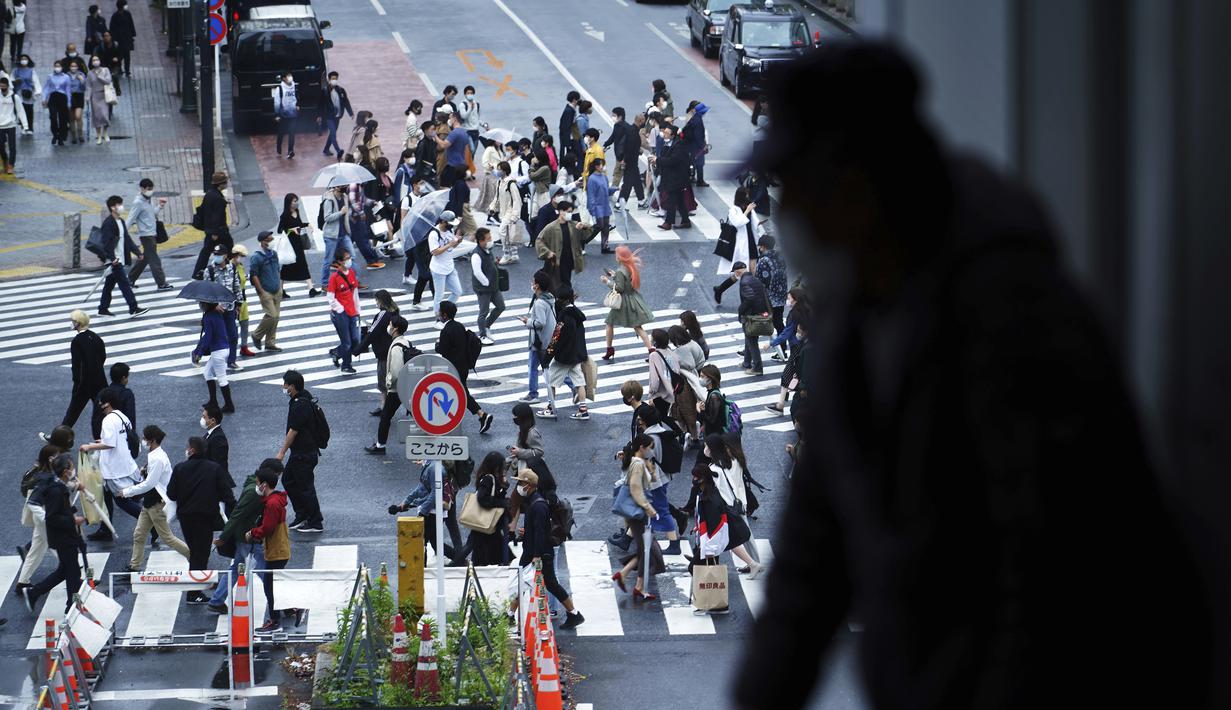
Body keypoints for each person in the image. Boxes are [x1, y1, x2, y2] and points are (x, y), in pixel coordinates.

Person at [735, 44, 1215, 710]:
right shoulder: (862, 303)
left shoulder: (1010, 312)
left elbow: (1043, 572)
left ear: (861, 182)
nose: (789, 213)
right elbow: (815, 538)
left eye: (801, 189)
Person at [206, 458, 283, 614]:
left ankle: (217, 600)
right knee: (264, 571)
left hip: (244, 536)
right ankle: (281, 602)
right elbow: (237, 514)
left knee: (236, 568)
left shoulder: (254, 486)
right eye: (276, 475)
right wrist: (224, 537)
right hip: (249, 538)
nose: (276, 480)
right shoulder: (254, 493)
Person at [513, 468, 584, 629]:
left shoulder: (538, 505)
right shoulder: (534, 501)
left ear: (529, 485)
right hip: (535, 550)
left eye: (521, 483)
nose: (519, 486)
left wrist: (537, 555)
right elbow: (538, 529)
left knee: (536, 582)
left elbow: (541, 532)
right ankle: (574, 614)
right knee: (538, 582)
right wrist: (527, 532)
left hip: (538, 552)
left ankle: (574, 614)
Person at [167, 436, 234, 602]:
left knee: (195, 551)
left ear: (192, 450)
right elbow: (227, 495)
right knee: (201, 554)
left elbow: (171, 494)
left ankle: (194, 590)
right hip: (206, 517)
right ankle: (194, 591)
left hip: (186, 518)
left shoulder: (180, 468)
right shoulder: (214, 468)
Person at [20, 453, 85, 614]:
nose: (73, 470)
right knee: (73, 573)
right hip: (63, 537)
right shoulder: (56, 491)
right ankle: (71, 607)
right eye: (71, 467)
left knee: (65, 571)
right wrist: (73, 520)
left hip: (64, 536)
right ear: (65, 471)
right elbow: (52, 517)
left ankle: (33, 593)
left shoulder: (58, 486)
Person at [119, 425, 190, 571]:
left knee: (167, 537)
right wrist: (145, 471)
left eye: (145, 438)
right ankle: (134, 565)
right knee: (139, 534)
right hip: (150, 502)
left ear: (152, 441)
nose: (143, 440)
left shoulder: (158, 459)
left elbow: (149, 484)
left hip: (157, 504)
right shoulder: (155, 455)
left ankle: (194, 556)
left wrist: (127, 492)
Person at [687, 460, 751, 615]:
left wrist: (710, 548)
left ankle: (709, 603)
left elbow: (716, 524)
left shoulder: (709, 499)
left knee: (694, 567)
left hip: (710, 542)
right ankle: (717, 605)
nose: (693, 480)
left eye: (695, 477)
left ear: (702, 479)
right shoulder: (708, 493)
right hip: (709, 540)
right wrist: (698, 527)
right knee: (708, 570)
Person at [79, 388, 144, 534]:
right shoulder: (122, 416)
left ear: (107, 403)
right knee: (106, 495)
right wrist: (101, 441)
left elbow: (110, 443)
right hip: (124, 464)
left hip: (113, 468)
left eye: (101, 402)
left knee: (122, 501)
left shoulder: (108, 420)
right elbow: (119, 438)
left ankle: (149, 522)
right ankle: (106, 528)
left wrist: (89, 446)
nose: (99, 405)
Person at [611, 435, 664, 601]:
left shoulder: (640, 463)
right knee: (646, 549)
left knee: (644, 549)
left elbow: (647, 482)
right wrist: (649, 508)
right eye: (650, 447)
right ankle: (636, 584)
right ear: (642, 447)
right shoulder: (637, 464)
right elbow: (635, 488)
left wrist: (652, 471)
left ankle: (628, 577)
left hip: (639, 512)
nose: (651, 450)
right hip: (638, 512)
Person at [14, 445, 66, 598]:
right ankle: (76, 575)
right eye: (57, 456)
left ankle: (22, 582)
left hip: (43, 515)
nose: (60, 459)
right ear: (50, 459)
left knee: (37, 549)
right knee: (60, 547)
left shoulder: (45, 473)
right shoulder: (45, 477)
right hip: (45, 515)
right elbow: (36, 501)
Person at [435, 300, 496, 430]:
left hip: (452, 368)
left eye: (440, 311)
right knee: (460, 392)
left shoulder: (446, 330)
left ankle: (481, 415)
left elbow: (443, 350)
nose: (438, 314)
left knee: (460, 394)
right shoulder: (459, 326)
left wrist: (437, 345)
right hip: (463, 366)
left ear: (444, 315)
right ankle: (480, 415)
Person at [366, 315, 421, 454]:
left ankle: (380, 446)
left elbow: (395, 371)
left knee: (385, 417)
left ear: (395, 329)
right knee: (418, 416)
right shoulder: (406, 342)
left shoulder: (396, 346)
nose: (388, 327)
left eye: (390, 324)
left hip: (397, 389)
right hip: (408, 387)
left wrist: (388, 383)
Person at [276, 370, 323, 533]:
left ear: (292, 386)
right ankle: (302, 514)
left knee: (305, 487)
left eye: (285, 384)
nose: (283, 387)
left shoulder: (300, 404)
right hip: (302, 452)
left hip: (304, 453)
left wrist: (282, 452)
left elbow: (293, 430)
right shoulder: (302, 398)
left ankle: (315, 521)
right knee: (289, 480)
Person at [248, 467, 291, 631]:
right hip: (279, 549)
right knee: (275, 584)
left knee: (270, 587)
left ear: (264, 485)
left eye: (258, 483)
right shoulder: (275, 500)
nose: (257, 486)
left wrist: (252, 533)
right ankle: (290, 608)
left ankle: (275, 620)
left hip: (276, 551)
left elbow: (268, 528)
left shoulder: (272, 504)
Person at [541, 285, 590, 421]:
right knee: (579, 382)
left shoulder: (564, 317)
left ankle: (551, 408)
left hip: (564, 357)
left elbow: (556, 338)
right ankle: (583, 409)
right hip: (576, 354)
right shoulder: (576, 314)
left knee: (551, 381)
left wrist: (547, 356)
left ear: (562, 300)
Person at [97, 195, 148, 318]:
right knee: (124, 284)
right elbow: (106, 243)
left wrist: (138, 253)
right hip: (115, 260)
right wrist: (112, 258)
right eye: (119, 205)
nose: (121, 207)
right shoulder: (108, 223)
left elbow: (127, 239)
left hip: (119, 258)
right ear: (112, 207)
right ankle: (133, 308)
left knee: (109, 284)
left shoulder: (120, 221)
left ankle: (103, 308)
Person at [600, 246, 654, 359]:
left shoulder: (621, 270)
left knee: (609, 323)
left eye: (617, 255)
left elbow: (619, 288)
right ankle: (651, 349)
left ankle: (609, 349)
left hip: (623, 303)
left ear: (620, 257)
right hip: (633, 299)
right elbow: (626, 282)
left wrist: (607, 281)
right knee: (637, 327)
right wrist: (615, 276)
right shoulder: (630, 267)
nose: (616, 256)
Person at [59, 310, 107, 434]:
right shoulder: (96, 337)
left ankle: (59, 437)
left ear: (78, 323)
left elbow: (77, 365)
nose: (72, 323)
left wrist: (77, 382)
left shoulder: (77, 341)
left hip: (83, 384)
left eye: (73, 321)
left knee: (73, 412)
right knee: (104, 410)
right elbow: (103, 356)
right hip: (99, 381)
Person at [714, 188, 762, 304]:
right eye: (746, 195)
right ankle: (721, 289)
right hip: (741, 245)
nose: (748, 197)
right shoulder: (733, 210)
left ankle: (751, 299)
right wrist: (747, 211)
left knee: (752, 272)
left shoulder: (749, 208)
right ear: (741, 196)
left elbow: (755, 224)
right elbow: (738, 223)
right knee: (741, 273)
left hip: (751, 242)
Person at [357, 289, 399, 415]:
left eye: (376, 300)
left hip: (383, 353)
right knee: (390, 381)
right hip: (392, 351)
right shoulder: (395, 312)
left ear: (380, 301)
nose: (376, 303)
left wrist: (358, 349)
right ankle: (384, 406)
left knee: (383, 382)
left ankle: (384, 408)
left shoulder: (383, 314)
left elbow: (372, 333)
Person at [126, 179, 173, 291]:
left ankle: (130, 280)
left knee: (145, 259)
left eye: (151, 189)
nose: (150, 191)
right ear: (142, 189)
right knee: (155, 260)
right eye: (148, 189)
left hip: (152, 233)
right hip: (146, 236)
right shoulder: (138, 203)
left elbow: (152, 214)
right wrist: (122, 232)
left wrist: (160, 206)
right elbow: (131, 218)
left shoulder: (149, 200)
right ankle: (161, 283)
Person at [517, 270, 556, 404]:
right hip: (549, 338)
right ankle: (575, 388)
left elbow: (540, 323)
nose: (531, 284)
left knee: (533, 367)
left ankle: (533, 394)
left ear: (537, 285)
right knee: (552, 366)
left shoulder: (539, 303)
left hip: (539, 341)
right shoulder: (550, 298)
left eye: (533, 282)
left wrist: (527, 321)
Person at [535, 199, 593, 287]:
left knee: (565, 280)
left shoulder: (574, 225)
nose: (569, 214)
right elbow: (539, 240)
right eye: (567, 211)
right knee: (559, 281)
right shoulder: (551, 227)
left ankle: (565, 293)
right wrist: (547, 252)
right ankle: (565, 294)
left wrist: (584, 226)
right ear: (560, 211)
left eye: (571, 212)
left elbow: (587, 234)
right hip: (557, 258)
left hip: (569, 258)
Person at [468, 451, 512, 566]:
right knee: (485, 554)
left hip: (487, 525)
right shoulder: (489, 479)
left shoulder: (486, 477)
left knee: (477, 550)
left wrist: (504, 487)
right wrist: (502, 502)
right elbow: (483, 499)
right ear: (496, 466)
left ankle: (458, 562)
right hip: (486, 523)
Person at [204, 244, 242, 370]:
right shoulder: (209, 271)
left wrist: (239, 304)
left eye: (219, 255)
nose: (217, 257)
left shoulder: (232, 269)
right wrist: (214, 305)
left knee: (233, 336)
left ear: (225, 255)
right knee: (214, 336)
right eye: (215, 254)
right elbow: (206, 291)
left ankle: (231, 361)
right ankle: (197, 353)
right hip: (216, 310)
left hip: (230, 308)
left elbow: (237, 287)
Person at [191, 303, 234, 412]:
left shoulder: (208, 317)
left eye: (202, 303)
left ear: (207, 305)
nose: (200, 305)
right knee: (207, 373)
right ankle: (213, 401)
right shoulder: (217, 313)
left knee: (222, 378)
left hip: (218, 351)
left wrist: (199, 353)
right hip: (224, 348)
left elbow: (208, 337)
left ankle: (229, 405)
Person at [325, 248, 361, 375]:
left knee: (355, 339)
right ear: (340, 262)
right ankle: (346, 365)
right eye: (347, 258)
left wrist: (357, 309)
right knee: (347, 342)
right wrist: (340, 309)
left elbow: (355, 292)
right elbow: (330, 297)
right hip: (340, 314)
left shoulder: (351, 273)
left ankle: (337, 352)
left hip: (352, 311)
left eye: (349, 257)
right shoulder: (334, 278)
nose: (349, 260)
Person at [668, 325, 706, 442]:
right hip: (697, 375)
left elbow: (690, 364)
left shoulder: (682, 349)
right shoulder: (692, 343)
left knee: (688, 408)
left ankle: (692, 435)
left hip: (688, 380)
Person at [192, 172, 232, 279]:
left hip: (210, 229)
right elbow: (216, 216)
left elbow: (204, 210)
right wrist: (215, 232)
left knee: (206, 251)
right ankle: (229, 270)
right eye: (225, 182)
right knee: (228, 249)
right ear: (220, 184)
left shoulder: (209, 194)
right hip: (219, 231)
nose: (226, 184)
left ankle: (198, 273)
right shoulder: (218, 198)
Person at [248, 231, 283, 352]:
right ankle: (256, 335)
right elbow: (253, 275)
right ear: (263, 242)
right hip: (265, 291)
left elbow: (277, 270)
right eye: (269, 240)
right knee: (272, 316)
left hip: (277, 290)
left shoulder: (274, 254)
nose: (272, 241)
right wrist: (261, 291)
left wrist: (280, 286)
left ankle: (270, 342)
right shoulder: (256, 257)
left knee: (276, 317)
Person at [733, 261, 769, 375]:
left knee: (752, 342)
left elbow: (750, 298)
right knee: (749, 339)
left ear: (737, 272)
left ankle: (757, 368)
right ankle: (746, 363)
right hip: (758, 314)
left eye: (735, 273)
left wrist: (740, 310)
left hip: (750, 315)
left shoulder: (744, 282)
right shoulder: (754, 279)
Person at [653, 124, 691, 230]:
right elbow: (664, 157)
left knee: (671, 200)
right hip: (671, 177)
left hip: (677, 178)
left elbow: (672, 160)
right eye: (664, 132)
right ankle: (686, 221)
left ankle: (668, 222)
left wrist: (657, 160)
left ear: (673, 135)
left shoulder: (678, 146)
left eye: (667, 133)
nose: (664, 134)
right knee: (680, 200)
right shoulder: (668, 144)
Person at [427, 210, 465, 318]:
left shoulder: (449, 230)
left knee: (457, 291)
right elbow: (434, 252)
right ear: (443, 221)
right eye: (450, 223)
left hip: (449, 266)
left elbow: (452, 246)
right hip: (438, 269)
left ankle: (445, 310)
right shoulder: (434, 234)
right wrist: (449, 244)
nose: (452, 226)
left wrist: (457, 242)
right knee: (439, 295)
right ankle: (438, 317)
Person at [753, 235, 788, 350]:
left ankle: (750, 349)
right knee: (779, 323)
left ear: (763, 247)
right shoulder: (781, 257)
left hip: (768, 299)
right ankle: (783, 349)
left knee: (757, 322)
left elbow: (760, 280)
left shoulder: (763, 260)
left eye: (760, 246)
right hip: (781, 296)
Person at [276, 194, 315, 297]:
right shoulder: (285, 215)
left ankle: (311, 289)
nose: (296, 203)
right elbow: (280, 230)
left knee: (303, 264)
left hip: (298, 243)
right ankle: (281, 290)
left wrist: (307, 224)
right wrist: (291, 230)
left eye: (296, 201)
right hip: (290, 244)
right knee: (287, 266)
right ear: (289, 203)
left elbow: (299, 224)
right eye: (294, 201)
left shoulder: (297, 212)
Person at [469, 228, 504, 344]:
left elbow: (488, 264)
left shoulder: (488, 250)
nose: (490, 240)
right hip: (483, 289)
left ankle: (486, 326)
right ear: (480, 240)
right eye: (488, 239)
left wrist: (495, 263)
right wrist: (486, 282)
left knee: (501, 306)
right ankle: (482, 335)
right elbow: (477, 272)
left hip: (494, 286)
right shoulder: (476, 254)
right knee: (483, 312)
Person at [318, 183, 352, 288]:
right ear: (336, 187)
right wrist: (341, 213)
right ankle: (324, 284)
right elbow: (327, 218)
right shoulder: (329, 200)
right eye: (342, 185)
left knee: (351, 257)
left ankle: (351, 280)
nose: (345, 187)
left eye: (346, 185)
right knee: (328, 261)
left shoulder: (345, 197)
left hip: (343, 233)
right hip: (331, 235)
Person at [647, 328, 680, 423]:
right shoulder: (671, 353)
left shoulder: (654, 355)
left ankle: (678, 431)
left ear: (655, 341)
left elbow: (654, 379)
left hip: (661, 394)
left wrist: (652, 393)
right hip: (673, 391)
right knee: (668, 417)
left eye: (652, 338)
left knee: (660, 419)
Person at [584, 159, 617, 253]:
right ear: (596, 166)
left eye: (602, 165)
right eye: (600, 165)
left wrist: (614, 189)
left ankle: (605, 246)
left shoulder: (604, 177)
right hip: (597, 206)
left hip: (605, 205)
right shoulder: (592, 179)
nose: (602, 167)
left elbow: (606, 190)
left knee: (606, 227)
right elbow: (591, 195)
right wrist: (592, 209)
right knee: (599, 225)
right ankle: (584, 240)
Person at [494, 161, 523, 265]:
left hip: (510, 212)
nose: (497, 171)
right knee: (509, 233)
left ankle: (506, 254)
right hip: (503, 212)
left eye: (499, 169)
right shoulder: (499, 182)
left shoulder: (511, 183)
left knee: (502, 231)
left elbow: (517, 200)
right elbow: (497, 196)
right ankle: (514, 254)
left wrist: (515, 215)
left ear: (505, 170)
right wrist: (493, 207)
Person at [434, 110, 471, 189]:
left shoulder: (455, 133)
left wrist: (435, 136)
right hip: (461, 164)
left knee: (444, 186)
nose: (449, 120)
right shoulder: (464, 132)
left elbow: (444, 145)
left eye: (450, 118)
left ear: (455, 119)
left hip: (453, 165)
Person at [320, 70, 352, 159]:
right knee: (333, 133)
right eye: (333, 78)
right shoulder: (325, 91)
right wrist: (319, 116)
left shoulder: (341, 90)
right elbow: (320, 104)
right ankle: (338, 150)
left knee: (332, 134)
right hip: (329, 116)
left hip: (337, 116)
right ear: (329, 79)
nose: (335, 80)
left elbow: (346, 102)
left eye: (336, 78)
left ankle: (326, 149)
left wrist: (350, 113)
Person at [41, 60, 71, 146]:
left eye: (59, 66)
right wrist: (44, 99)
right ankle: (55, 134)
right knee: (53, 117)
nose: (57, 68)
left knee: (62, 119)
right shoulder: (50, 76)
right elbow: (46, 88)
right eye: (56, 66)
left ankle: (61, 137)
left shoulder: (66, 77)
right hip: (53, 97)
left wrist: (69, 102)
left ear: (62, 67)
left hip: (62, 98)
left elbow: (68, 90)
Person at [0, 75, 26, 172]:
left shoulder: (14, 97)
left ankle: (11, 165)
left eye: (4, 86)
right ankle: (5, 160)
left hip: (11, 124)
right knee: (1, 146)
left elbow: (20, 111)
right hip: (0, 125)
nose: (2, 88)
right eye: (0, 86)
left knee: (12, 146)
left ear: (8, 86)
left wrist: (25, 125)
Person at [680, 100, 710, 187]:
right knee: (700, 163)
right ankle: (700, 181)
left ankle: (691, 177)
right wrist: (703, 146)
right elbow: (698, 136)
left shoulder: (694, 118)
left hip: (690, 145)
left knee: (692, 161)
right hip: (696, 146)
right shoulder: (698, 121)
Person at [10, 53, 36, 136]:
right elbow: (11, 80)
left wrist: (36, 90)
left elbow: (35, 81)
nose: (23, 61)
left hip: (29, 93)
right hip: (19, 93)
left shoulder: (31, 71)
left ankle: (30, 127)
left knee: (29, 110)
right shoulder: (16, 71)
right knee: (21, 110)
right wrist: (15, 81)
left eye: (25, 59)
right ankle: (23, 127)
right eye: (22, 59)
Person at [108, 0, 135, 76]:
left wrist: (132, 35)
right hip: (119, 39)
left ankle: (127, 70)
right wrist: (113, 39)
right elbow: (112, 28)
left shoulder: (127, 14)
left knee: (127, 55)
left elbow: (131, 24)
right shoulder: (115, 16)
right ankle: (119, 69)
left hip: (127, 38)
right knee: (120, 55)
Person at [64, 59, 85, 144]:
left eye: (75, 66)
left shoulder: (81, 74)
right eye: (72, 66)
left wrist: (82, 81)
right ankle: (74, 136)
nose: (73, 68)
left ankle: (80, 135)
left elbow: (84, 88)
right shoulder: (66, 76)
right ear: (69, 67)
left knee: (78, 116)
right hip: (69, 96)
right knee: (71, 118)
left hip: (79, 96)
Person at [558, 90, 580, 160]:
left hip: (570, 138)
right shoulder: (569, 111)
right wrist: (567, 143)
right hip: (567, 140)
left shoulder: (571, 109)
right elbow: (565, 128)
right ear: (574, 100)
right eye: (578, 99)